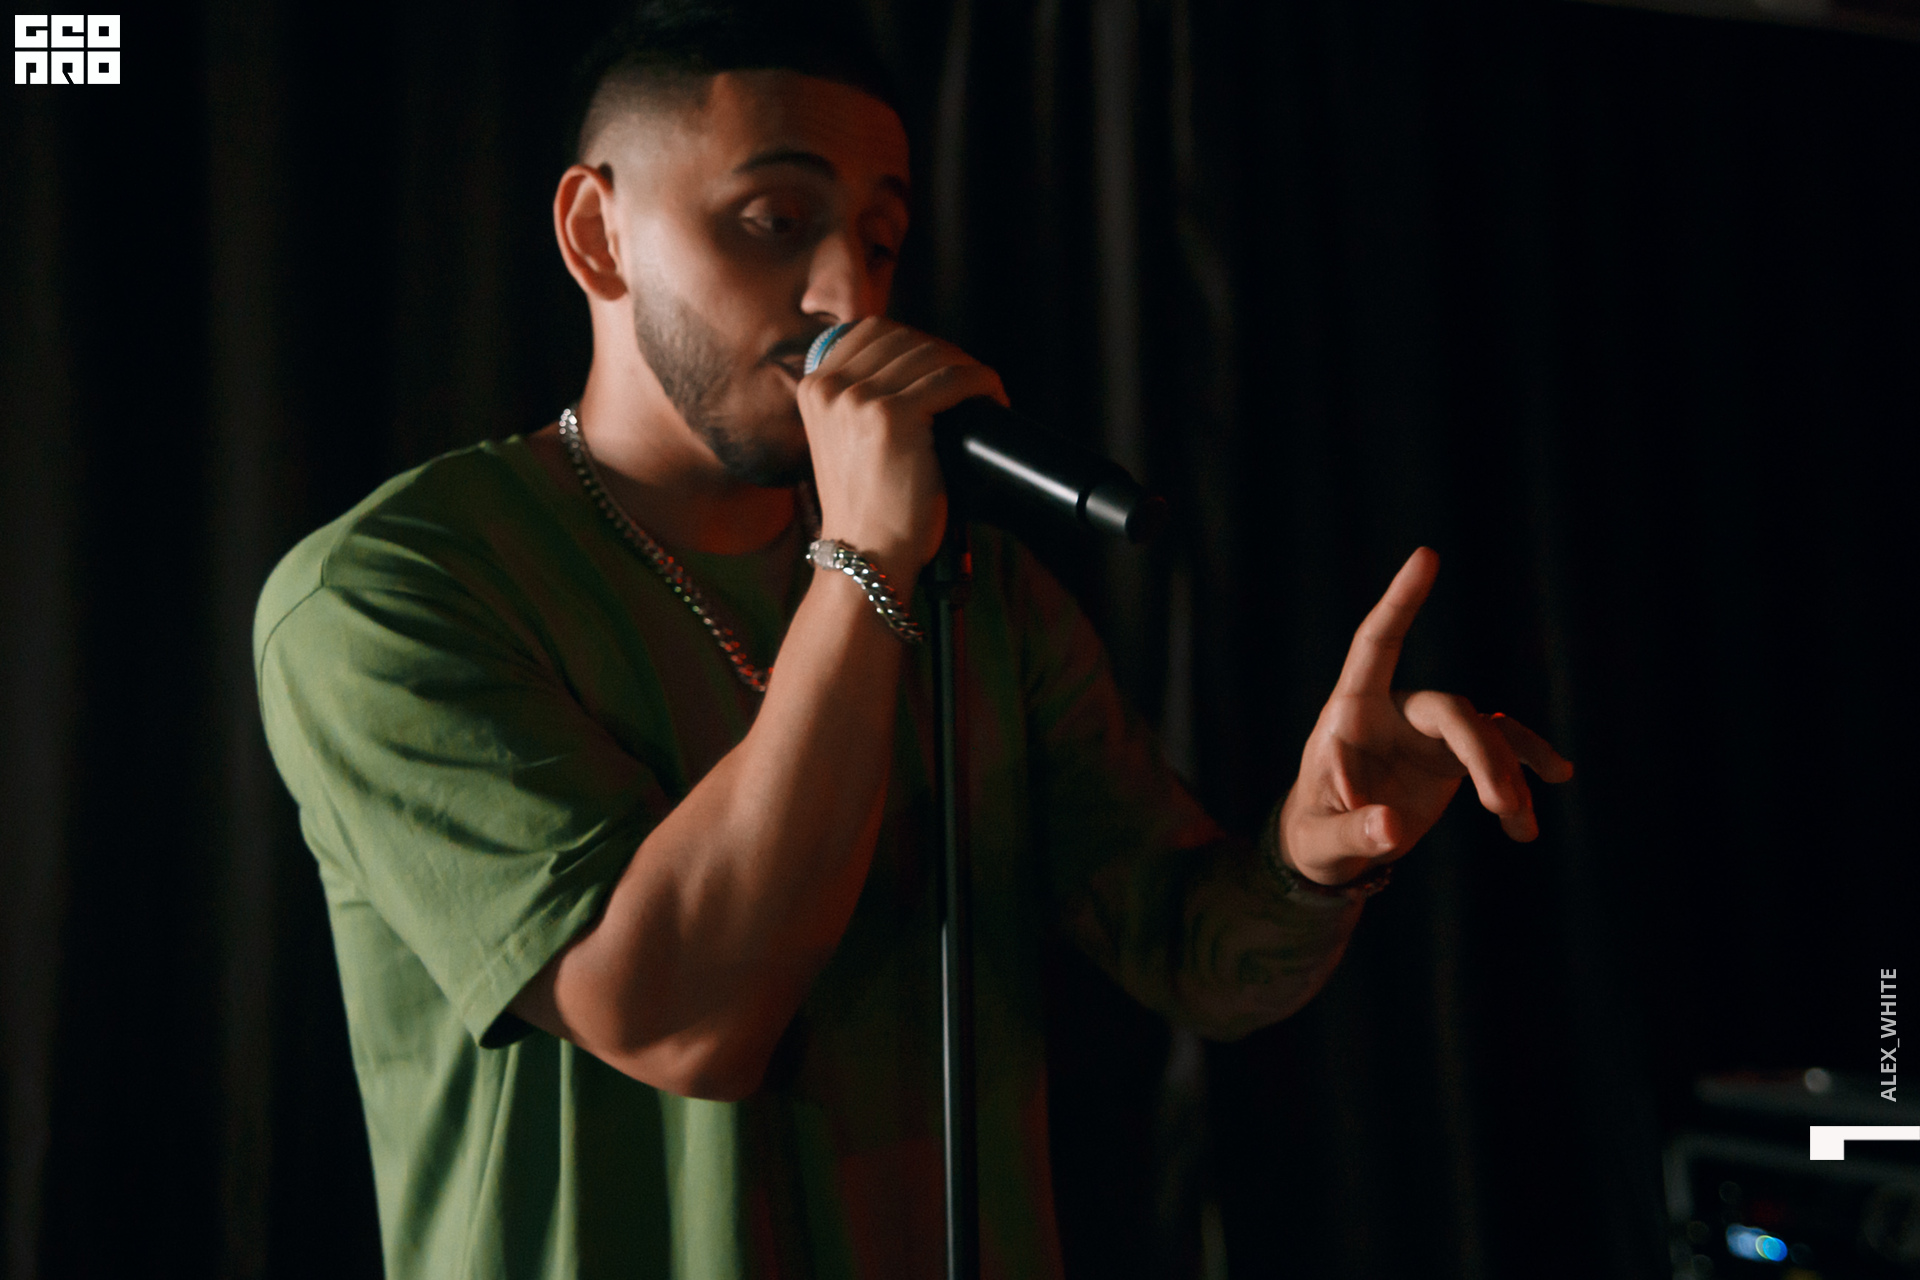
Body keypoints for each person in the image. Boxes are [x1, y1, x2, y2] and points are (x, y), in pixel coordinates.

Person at [253, 4, 1573, 1276]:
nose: (849, 293)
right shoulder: (392, 591)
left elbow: (1193, 954)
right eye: (775, 221)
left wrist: (1314, 854)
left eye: (880, 240)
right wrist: (866, 560)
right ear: (599, 235)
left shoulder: (974, 588)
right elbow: (677, 1021)